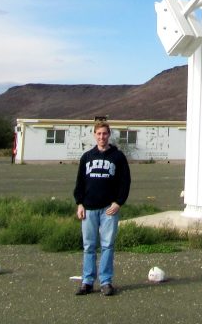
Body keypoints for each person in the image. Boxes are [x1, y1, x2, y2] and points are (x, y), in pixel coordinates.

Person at [73, 121, 131, 296]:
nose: (102, 137)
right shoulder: (87, 157)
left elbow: (125, 182)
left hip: (108, 209)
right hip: (89, 208)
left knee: (107, 245)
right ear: (94, 135)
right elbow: (80, 183)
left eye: (104, 134)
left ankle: (106, 282)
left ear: (109, 135)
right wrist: (79, 203)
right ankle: (87, 282)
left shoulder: (118, 157)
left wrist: (118, 202)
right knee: (89, 246)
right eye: (98, 134)